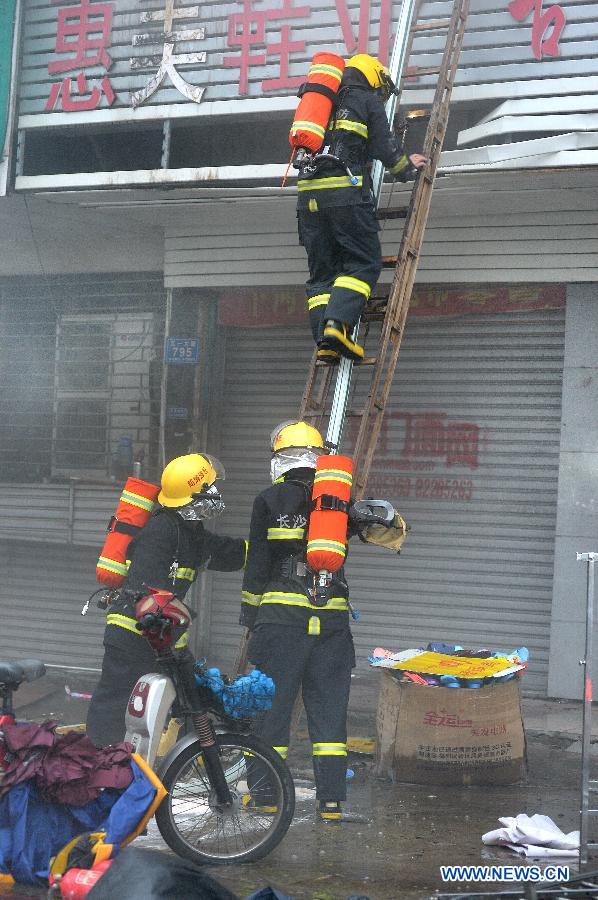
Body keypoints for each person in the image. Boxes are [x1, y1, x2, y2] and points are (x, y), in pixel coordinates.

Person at [87, 453, 247, 748]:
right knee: (114, 706)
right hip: (132, 634)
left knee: (186, 700)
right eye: (210, 488)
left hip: (158, 635)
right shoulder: (161, 530)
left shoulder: (189, 531)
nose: (216, 494)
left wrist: (265, 551)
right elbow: (145, 592)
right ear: (194, 494)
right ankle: (96, 765)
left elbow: (226, 551)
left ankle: (182, 762)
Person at [239, 421, 355, 822]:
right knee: (328, 714)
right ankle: (332, 803)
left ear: (281, 459)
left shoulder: (269, 499)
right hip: (333, 624)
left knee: (272, 710)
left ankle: (267, 796)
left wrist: (251, 618)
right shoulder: (336, 503)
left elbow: (256, 567)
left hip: (282, 623)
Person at [296, 53, 428, 364]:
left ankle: (324, 344)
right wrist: (405, 167)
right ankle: (337, 327)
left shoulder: (322, 105)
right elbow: (384, 145)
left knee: (322, 275)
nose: (381, 96)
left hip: (307, 199)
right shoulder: (365, 100)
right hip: (344, 194)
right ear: (373, 77)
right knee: (362, 263)